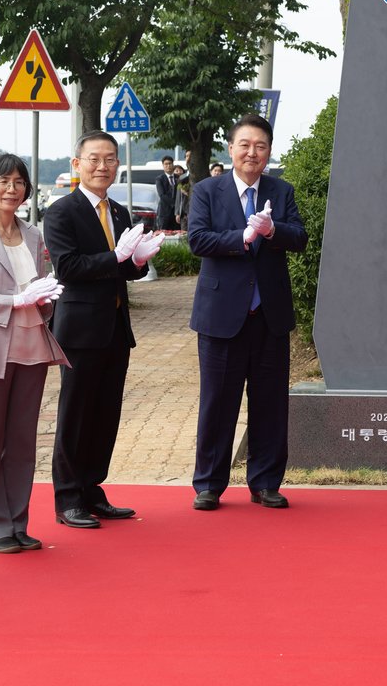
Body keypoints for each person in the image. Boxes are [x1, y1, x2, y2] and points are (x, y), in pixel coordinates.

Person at [187, 113, 307, 511]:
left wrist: (273, 232)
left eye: (260, 146)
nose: (251, 152)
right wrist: (243, 236)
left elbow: (300, 237)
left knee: (270, 402)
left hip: (269, 315)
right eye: (244, 145)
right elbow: (198, 239)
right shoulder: (207, 190)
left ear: (269, 152)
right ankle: (209, 484)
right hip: (222, 315)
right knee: (218, 402)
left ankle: (266, 481)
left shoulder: (281, 190)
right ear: (231, 148)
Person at [42, 132, 160, 528]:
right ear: (77, 164)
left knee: (106, 413)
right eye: (94, 159)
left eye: (110, 159)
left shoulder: (121, 212)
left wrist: (138, 263)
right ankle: (68, 496)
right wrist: (116, 256)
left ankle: (93, 489)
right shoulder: (62, 212)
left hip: (114, 328)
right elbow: (69, 267)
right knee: (75, 414)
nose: (103, 166)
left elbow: (122, 268)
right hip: (78, 329)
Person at [0, 153, 70, 553]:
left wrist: (45, 298)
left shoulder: (34, 235)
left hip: (32, 347)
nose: (12, 189)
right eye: (3, 181)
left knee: (22, 442)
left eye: (19, 182)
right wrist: (17, 299)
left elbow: (40, 294)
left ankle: (16, 522)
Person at [156, 155, 181, 231]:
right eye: (166, 164)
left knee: (177, 233)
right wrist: (174, 204)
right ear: (163, 166)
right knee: (164, 234)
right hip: (164, 212)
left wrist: (177, 208)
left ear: (173, 164)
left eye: (170, 163)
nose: (168, 166)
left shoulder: (179, 178)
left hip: (177, 213)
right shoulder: (159, 179)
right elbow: (162, 195)